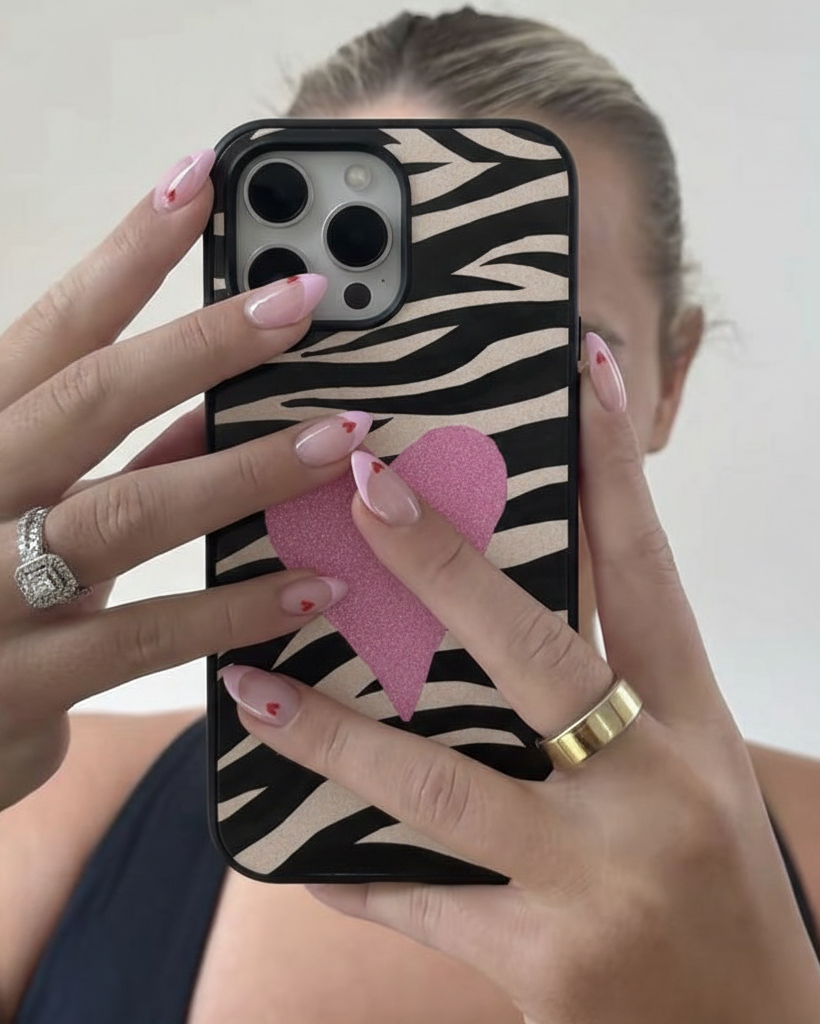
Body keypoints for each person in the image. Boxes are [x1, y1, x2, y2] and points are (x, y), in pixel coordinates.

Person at [1, 7, 820, 1023]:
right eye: (346, 364)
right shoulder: (49, 828)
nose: (405, 458)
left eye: (525, 362)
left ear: (668, 382)